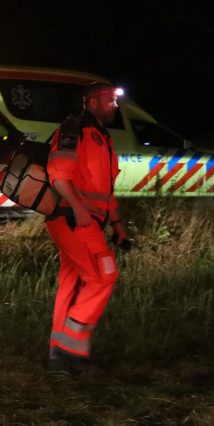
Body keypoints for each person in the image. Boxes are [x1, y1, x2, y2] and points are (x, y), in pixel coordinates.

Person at [44, 82, 128, 372]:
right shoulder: (73, 129)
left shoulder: (102, 138)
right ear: (92, 103)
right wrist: (79, 210)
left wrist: (118, 226)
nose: (114, 106)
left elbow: (106, 190)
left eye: (115, 102)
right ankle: (71, 346)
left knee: (72, 282)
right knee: (102, 276)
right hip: (73, 218)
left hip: (86, 220)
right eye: (109, 101)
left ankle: (57, 355)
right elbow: (58, 175)